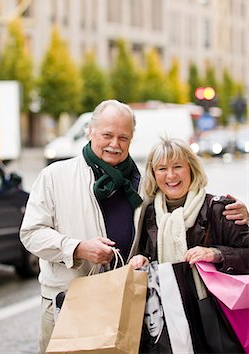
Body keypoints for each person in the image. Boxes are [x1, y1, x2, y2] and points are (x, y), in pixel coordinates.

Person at [20, 102, 248, 354]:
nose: (114, 144)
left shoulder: (144, 185)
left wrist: (242, 217)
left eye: (123, 137)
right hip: (70, 303)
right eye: (107, 135)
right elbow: (31, 233)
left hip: (126, 305)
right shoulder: (55, 176)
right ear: (89, 131)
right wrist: (78, 248)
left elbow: (156, 240)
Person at [130, 136, 249, 273]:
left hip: (213, 294)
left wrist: (216, 254)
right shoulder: (150, 213)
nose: (171, 175)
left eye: (178, 166)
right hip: (168, 293)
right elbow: (150, 255)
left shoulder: (220, 209)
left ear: (191, 168)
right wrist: (143, 260)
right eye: (162, 169)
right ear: (153, 174)